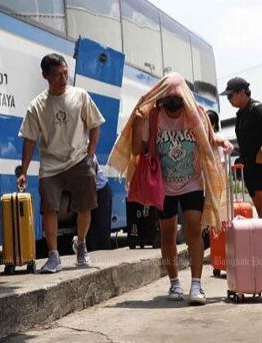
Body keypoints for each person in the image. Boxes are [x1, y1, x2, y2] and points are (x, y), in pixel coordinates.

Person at [110, 72, 231, 305]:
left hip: (192, 183)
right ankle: (174, 283)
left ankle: (196, 285)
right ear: (162, 99)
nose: (173, 105)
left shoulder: (196, 115)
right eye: (169, 99)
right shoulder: (152, 118)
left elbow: (207, 138)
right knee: (167, 234)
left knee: (194, 231)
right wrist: (136, 122)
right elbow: (137, 149)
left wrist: (221, 141)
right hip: (162, 185)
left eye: (177, 98)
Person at [17, 53, 105, 273]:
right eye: (57, 75)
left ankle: (82, 244)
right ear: (45, 76)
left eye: (65, 73)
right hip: (50, 165)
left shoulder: (80, 96)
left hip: (78, 160)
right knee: (49, 209)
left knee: (85, 206)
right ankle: (54, 256)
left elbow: (95, 125)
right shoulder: (37, 106)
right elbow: (29, 139)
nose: (63, 78)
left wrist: (90, 154)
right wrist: (24, 171)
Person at [223, 77, 262, 271]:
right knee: (261, 210)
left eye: (231, 95)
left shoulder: (257, 108)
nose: (229, 100)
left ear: (242, 92)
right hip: (252, 168)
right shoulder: (242, 113)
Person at [85, 154, 113, 251]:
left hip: (101, 191)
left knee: (102, 235)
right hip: (91, 192)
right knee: (90, 236)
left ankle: (104, 258)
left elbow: (92, 175)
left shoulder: (86, 150)